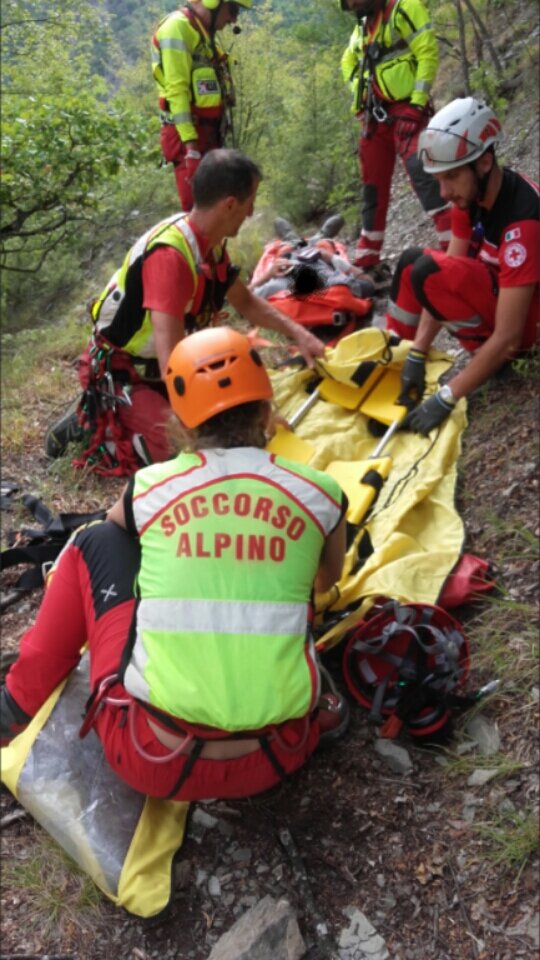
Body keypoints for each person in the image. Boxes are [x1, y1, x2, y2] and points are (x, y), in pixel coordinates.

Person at [1, 328, 350, 802]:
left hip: (151, 758)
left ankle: (13, 706)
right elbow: (325, 582)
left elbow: (115, 531)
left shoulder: (150, 486)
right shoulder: (321, 492)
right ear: (269, 411)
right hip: (279, 754)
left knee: (96, 541)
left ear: (181, 424)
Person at [45, 150, 326, 474]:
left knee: (230, 426)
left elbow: (246, 302)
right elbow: (173, 365)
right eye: (251, 200)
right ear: (230, 204)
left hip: (164, 366)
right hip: (128, 372)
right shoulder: (171, 260)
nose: (252, 211)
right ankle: (94, 424)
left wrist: (301, 335)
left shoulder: (207, 243)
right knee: (185, 448)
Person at [386, 97, 539, 435]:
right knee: (415, 264)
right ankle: (394, 366)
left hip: (525, 329)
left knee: (425, 268)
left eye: (451, 178)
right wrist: (417, 354)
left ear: (484, 163)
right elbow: (446, 273)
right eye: (439, 180)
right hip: (501, 300)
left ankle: (494, 362)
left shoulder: (523, 221)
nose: (444, 192)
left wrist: (447, 395)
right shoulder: (472, 198)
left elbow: (512, 336)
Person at [339, 0, 451, 283]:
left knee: (423, 173)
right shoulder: (364, 25)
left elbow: (427, 53)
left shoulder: (405, 8)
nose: (351, 4)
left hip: (407, 111)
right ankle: (367, 258)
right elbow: (348, 61)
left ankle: (457, 248)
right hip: (375, 117)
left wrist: (417, 104)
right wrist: (359, 97)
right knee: (372, 188)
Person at [152, 0, 252, 209]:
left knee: (219, 212)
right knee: (198, 215)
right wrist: (191, 148)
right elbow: (176, 91)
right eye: (233, 9)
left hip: (208, 136)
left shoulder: (205, 36)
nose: (233, 19)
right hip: (189, 139)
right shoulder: (177, 28)